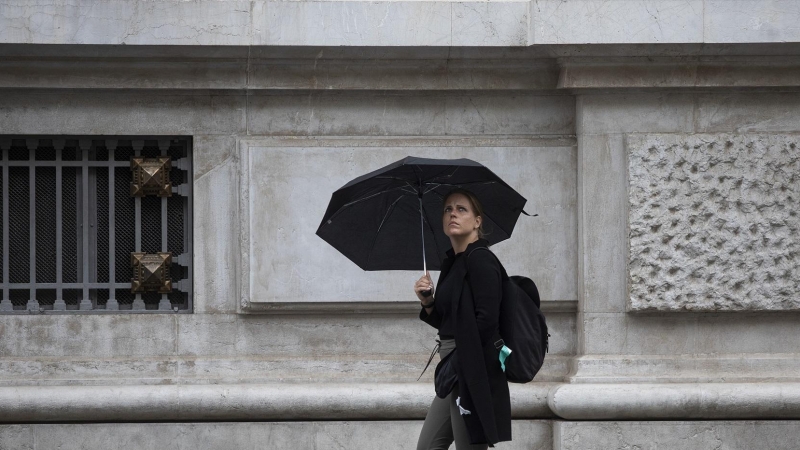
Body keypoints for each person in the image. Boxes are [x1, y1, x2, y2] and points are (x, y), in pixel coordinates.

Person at [415, 188, 511, 449]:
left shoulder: (481, 260)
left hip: (471, 363)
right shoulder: (453, 263)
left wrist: (460, 360)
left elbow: (487, 321)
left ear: (477, 221)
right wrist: (428, 301)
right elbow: (448, 323)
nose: (452, 214)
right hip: (454, 363)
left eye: (461, 209)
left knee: (470, 447)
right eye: (447, 209)